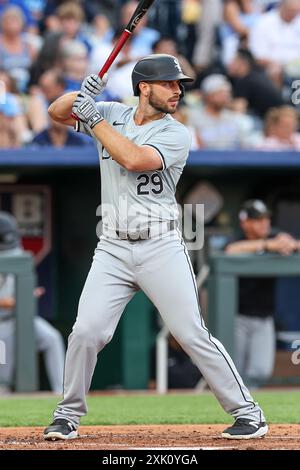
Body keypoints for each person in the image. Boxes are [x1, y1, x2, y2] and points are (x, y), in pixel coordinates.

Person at [43, 53, 268, 441]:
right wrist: (81, 93)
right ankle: (67, 415)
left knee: (190, 332)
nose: (177, 90)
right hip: (112, 246)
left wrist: (94, 118)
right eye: (169, 83)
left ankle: (248, 413)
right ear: (144, 87)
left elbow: (132, 159)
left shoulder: (176, 133)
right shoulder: (113, 111)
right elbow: (56, 111)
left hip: (160, 244)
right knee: (86, 332)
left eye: (179, 84)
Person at [225, 200, 299, 387]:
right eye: (258, 220)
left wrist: (287, 243)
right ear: (245, 222)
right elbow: (231, 251)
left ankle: (250, 407)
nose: (264, 223)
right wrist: (267, 245)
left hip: (264, 317)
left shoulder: (274, 235)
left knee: (260, 371)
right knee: (234, 371)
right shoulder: (237, 237)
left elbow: (289, 242)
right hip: (237, 317)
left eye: (266, 219)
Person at [0, 211, 65, 394]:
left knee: (51, 338)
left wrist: (28, 295)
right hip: (2, 323)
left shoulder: (17, 252)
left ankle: (61, 392)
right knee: (3, 373)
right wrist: (10, 302)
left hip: (22, 317)